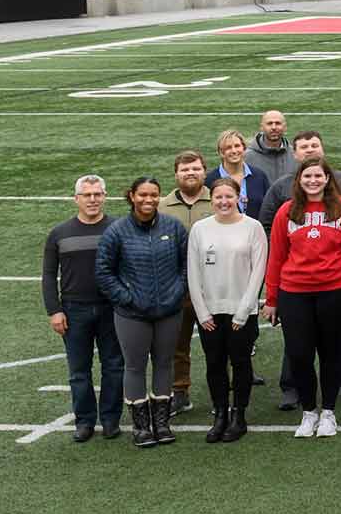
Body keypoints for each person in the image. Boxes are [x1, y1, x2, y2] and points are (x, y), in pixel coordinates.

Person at [266, 157, 341, 439]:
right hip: (294, 292)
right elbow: (276, 257)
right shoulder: (286, 211)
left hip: (334, 290)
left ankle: (329, 412)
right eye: (307, 176)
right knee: (299, 354)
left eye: (318, 176)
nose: (313, 181)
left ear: (327, 179)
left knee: (331, 352)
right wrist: (272, 298)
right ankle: (309, 411)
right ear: (299, 180)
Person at [97, 177, 191, 450]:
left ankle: (161, 423)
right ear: (132, 196)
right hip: (132, 315)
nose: (148, 200)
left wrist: (177, 293)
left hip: (169, 311)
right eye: (143, 195)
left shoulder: (173, 227)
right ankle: (141, 426)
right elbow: (104, 272)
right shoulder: (117, 231)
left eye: (154, 195)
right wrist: (127, 298)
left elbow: (186, 265)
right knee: (135, 366)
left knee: (164, 364)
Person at [186, 179, 266, 443]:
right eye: (218, 197)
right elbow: (193, 273)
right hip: (210, 314)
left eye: (228, 197)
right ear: (212, 200)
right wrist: (203, 312)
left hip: (241, 314)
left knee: (241, 363)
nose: (223, 202)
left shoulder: (252, 228)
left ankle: (238, 415)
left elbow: (257, 273)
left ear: (238, 198)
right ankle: (220, 414)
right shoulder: (200, 229)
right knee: (214, 364)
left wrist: (243, 312)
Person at [44, 174, 123, 442]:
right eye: (87, 195)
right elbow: (48, 275)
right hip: (74, 309)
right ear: (76, 198)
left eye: (97, 194)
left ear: (104, 196)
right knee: (79, 370)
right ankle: (85, 421)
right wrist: (54, 310)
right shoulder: (59, 233)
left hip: (112, 309)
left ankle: (111, 420)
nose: (92, 199)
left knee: (113, 365)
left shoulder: (118, 228)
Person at [157, 152, 215, 417]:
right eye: (184, 169)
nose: (190, 173)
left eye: (195, 168)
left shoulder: (218, 199)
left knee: (216, 344)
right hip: (175, 286)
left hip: (212, 286)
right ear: (176, 174)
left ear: (205, 171)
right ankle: (179, 392)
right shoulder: (162, 205)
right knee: (176, 344)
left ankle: (220, 394)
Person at [208, 129, 270, 210]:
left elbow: (268, 207)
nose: (234, 151)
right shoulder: (210, 180)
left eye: (237, 146)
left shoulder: (259, 176)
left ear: (244, 148)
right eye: (228, 148)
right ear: (221, 152)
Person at [244, 110, 294, 191]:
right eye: (269, 123)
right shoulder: (247, 157)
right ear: (261, 127)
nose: (274, 127)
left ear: (285, 127)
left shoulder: (295, 155)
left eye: (278, 123)